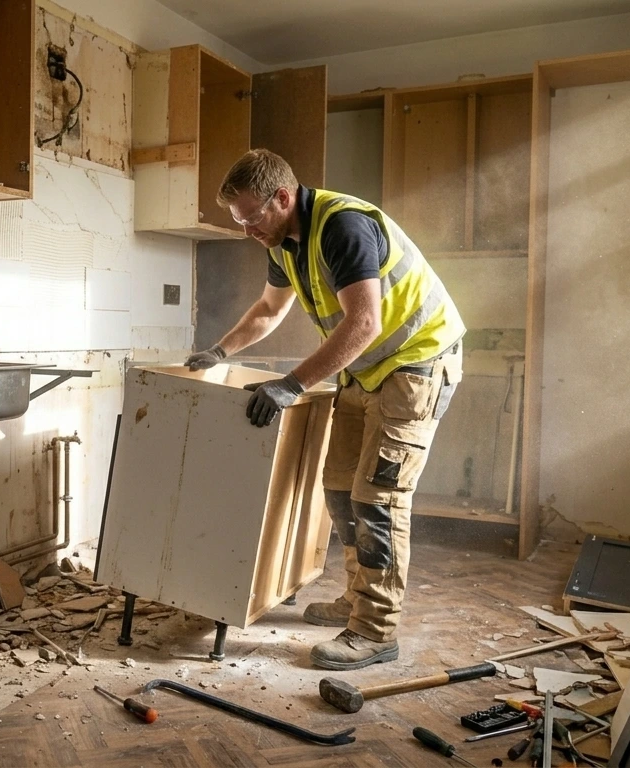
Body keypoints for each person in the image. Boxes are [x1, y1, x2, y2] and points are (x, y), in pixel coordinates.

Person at [186, 149, 466, 671]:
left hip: (416, 367)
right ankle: (358, 598)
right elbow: (270, 310)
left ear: (283, 198)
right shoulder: (283, 240)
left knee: (377, 499)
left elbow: (364, 323)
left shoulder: (344, 228)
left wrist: (291, 385)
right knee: (339, 488)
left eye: (250, 217)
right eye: (238, 220)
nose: (247, 229)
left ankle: (375, 630)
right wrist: (218, 352)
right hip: (366, 371)